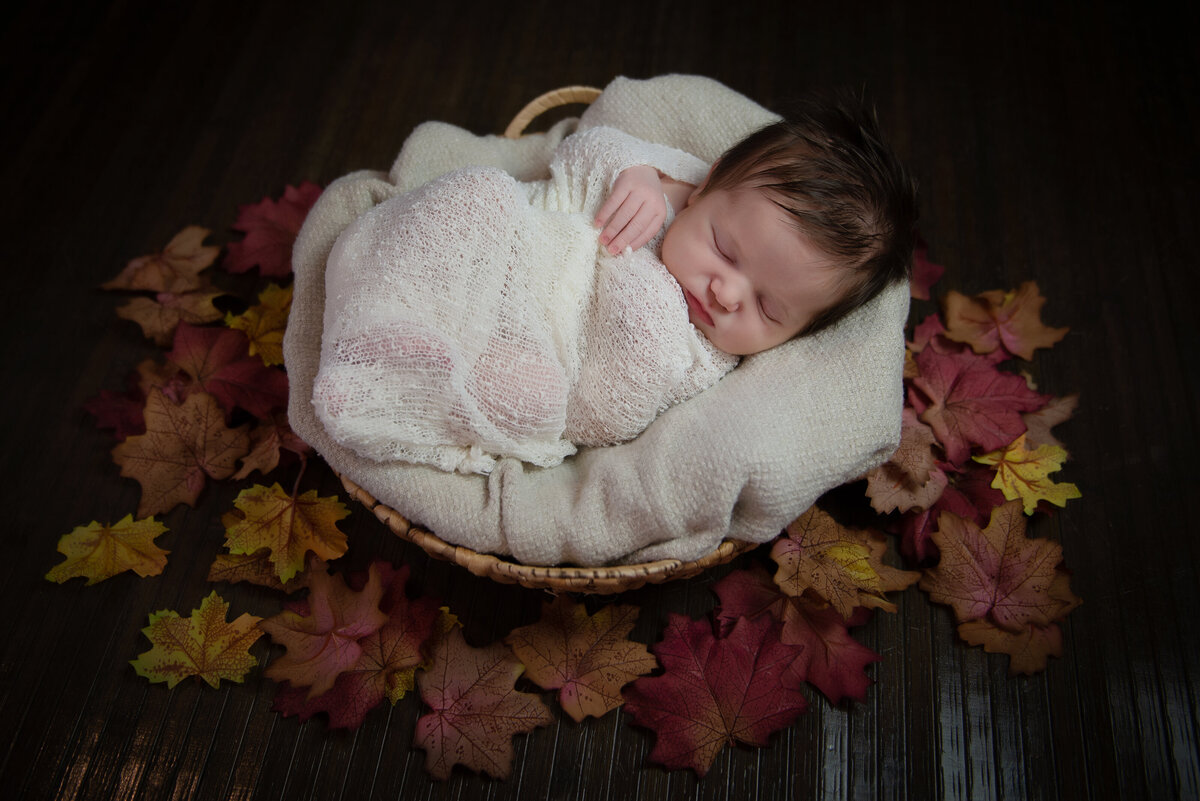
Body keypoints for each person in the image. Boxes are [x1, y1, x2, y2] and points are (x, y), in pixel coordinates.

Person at [313, 96, 918, 474]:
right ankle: (382, 313)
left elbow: (606, 416)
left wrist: (643, 293)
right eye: (725, 250)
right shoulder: (668, 184)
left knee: (531, 395)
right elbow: (582, 152)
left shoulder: (703, 355)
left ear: (800, 331)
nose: (726, 294)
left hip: (545, 347)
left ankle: (393, 382)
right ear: (707, 187)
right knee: (477, 196)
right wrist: (635, 173)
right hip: (509, 256)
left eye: (768, 307)